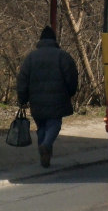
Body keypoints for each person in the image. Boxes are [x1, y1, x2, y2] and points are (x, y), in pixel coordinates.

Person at [17, 26, 79, 168]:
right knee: (54, 123)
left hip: (36, 100)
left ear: (40, 40)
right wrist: (70, 92)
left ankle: (44, 157)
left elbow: (22, 79)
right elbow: (72, 77)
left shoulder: (31, 58)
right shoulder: (62, 56)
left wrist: (22, 98)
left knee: (41, 127)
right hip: (57, 98)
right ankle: (46, 145)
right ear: (54, 40)